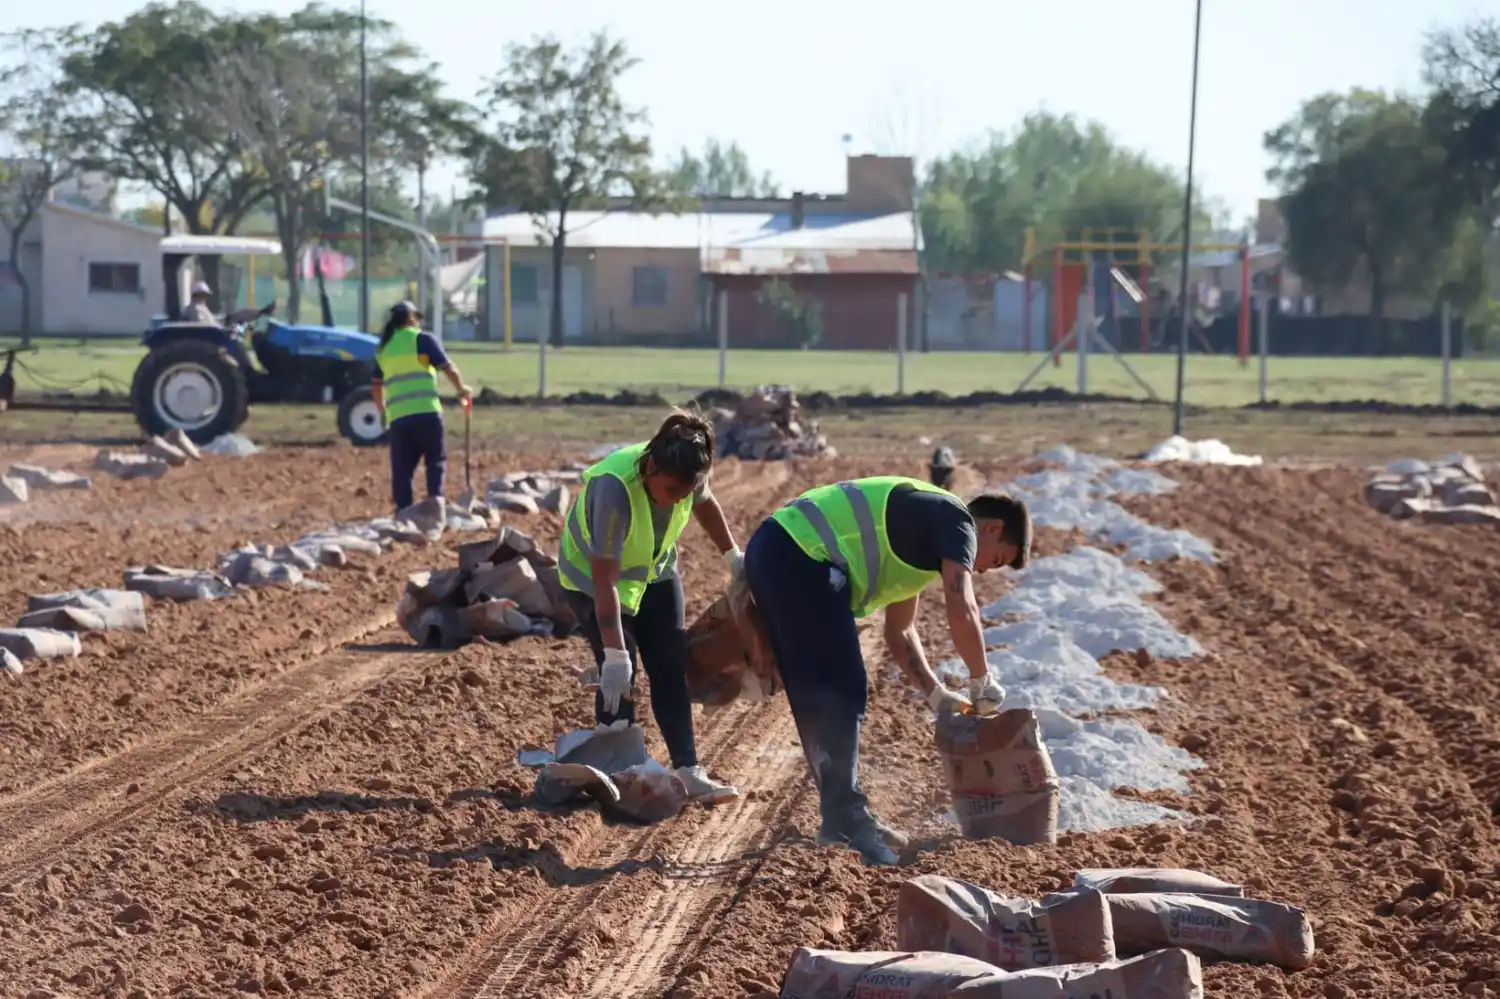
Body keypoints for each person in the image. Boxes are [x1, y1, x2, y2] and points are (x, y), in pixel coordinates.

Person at [742, 477, 1032, 865]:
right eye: (994, 559)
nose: (981, 570)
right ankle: (846, 822)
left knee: (820, 691)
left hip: (782, 551)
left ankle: (844, 817)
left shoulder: (922, 536)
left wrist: (934, 692)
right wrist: (981, 679)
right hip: (798, 555)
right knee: (842, 687)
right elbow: (962, 604)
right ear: (992, 528)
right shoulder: (955, 520)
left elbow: (901, 632)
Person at [558, 409, 744, 805]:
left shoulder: (688, 469)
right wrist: (613, 653)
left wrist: (732, 556)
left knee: (670, 665)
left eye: (685, 492)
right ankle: (612, 772)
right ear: (650, 468)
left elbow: (706, 505)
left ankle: (688, 770)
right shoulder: (615, 489)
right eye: (673, 491)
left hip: (653, 573)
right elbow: (605, 580)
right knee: (621, 675)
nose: (678, 499)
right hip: (593, 582)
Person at [372, 301, 473, 513]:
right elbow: (448, 369)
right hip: (427, 412)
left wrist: (383, 411)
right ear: (411, 319)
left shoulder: (384, 349)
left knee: (402, 468)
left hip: (399, 417)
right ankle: (435, 504)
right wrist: (461, 389)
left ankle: (403, 510)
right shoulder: (423, 339)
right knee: (435, 460)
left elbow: (376, 385)